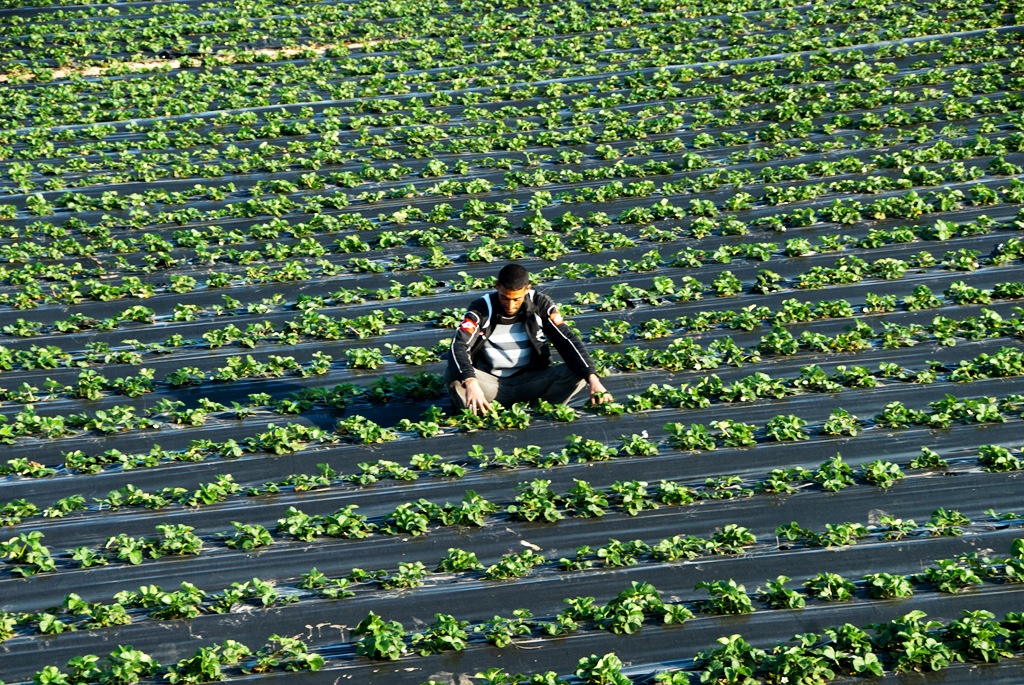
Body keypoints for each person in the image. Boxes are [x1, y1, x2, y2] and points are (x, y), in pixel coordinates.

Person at [446, 263, 611, 413]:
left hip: (531, 381)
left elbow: (566, 340)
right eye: (505, 297)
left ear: (527, 289)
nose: (510, 306)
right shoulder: (482, 308)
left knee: (578, 371)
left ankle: (540, 410)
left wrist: (593, 378)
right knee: (455, 376)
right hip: (492, 384)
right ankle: (481, 412)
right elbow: (459, 345)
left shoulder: (540, 304)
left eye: (516, 299)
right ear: (497, 287)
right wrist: (471, 381)